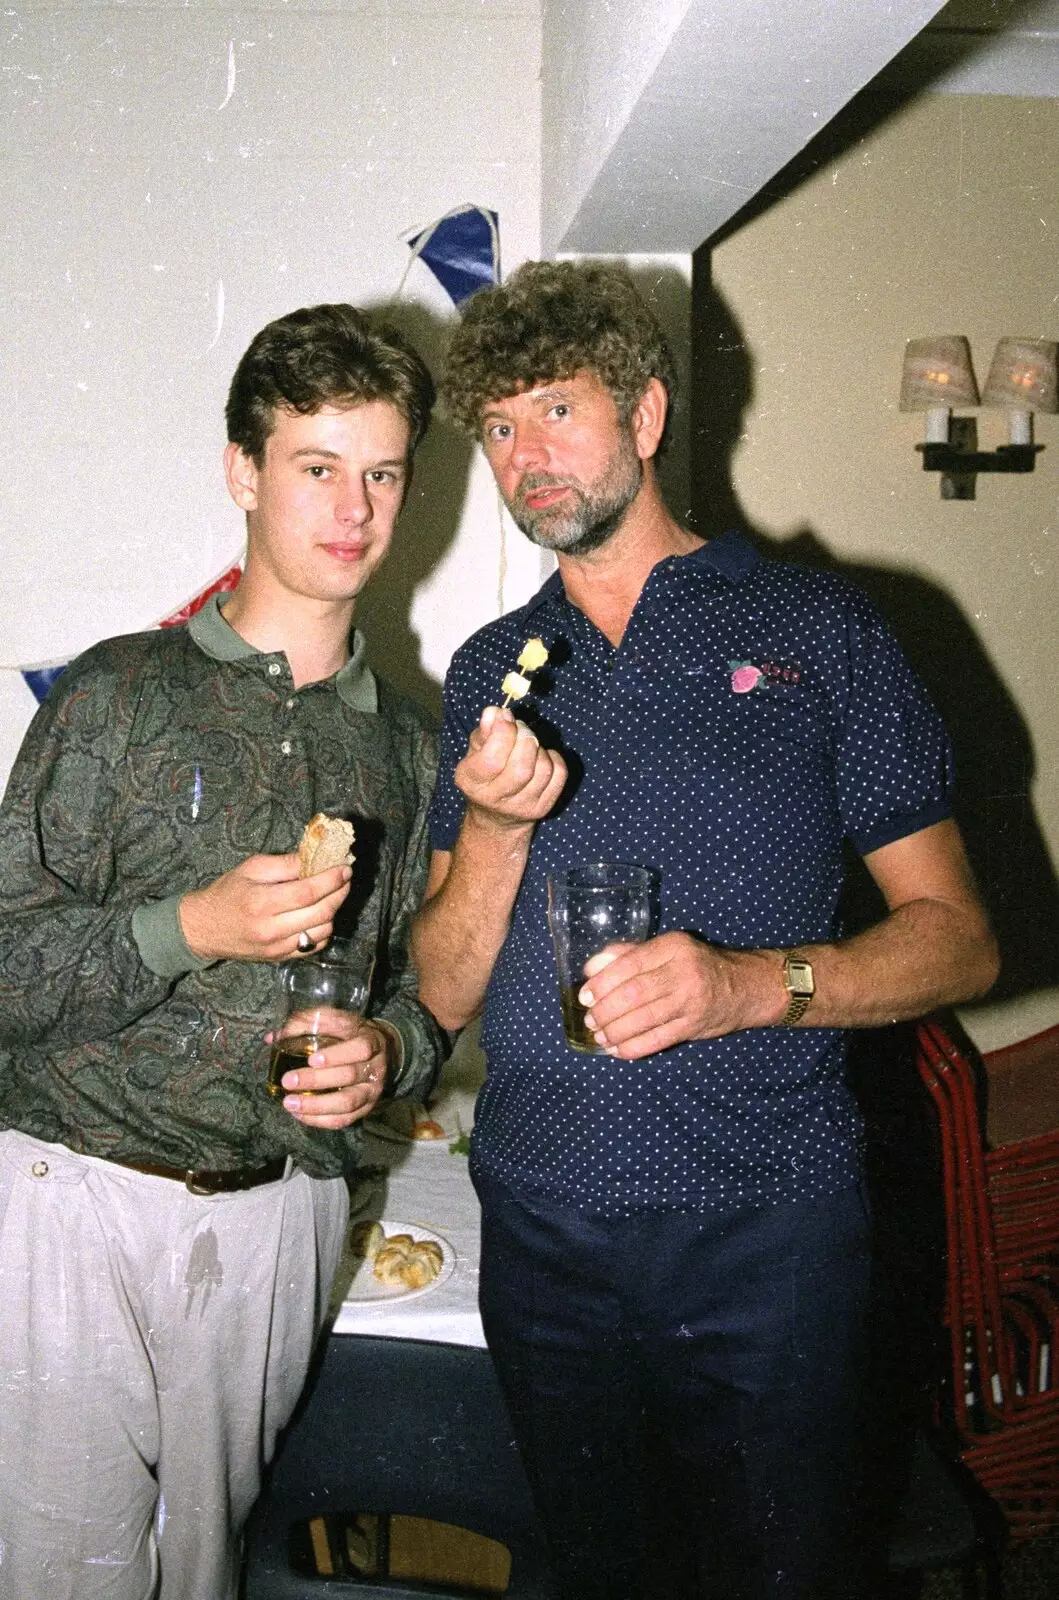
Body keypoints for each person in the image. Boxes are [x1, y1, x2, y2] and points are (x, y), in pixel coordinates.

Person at [412, 261, 999, 1600]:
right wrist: (494, 830)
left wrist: (748, 987)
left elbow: (958, 940)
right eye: (499, 429)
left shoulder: (821, 631)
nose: (526, 457)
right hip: (544, 1228)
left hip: (768, 1233)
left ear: (648, 414)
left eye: (556, 412)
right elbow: (437, 994)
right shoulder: (488, 672)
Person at [0, 302, 448, 1600]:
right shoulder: (114, 695)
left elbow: (426, 994)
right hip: (73, 1198)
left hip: (280, 1226)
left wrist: (389, 1050)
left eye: (381, 473)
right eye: (316, 467)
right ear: (244, 472)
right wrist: (189, 926)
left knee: (205, 1576)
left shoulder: (409, 751)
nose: (353, 508)